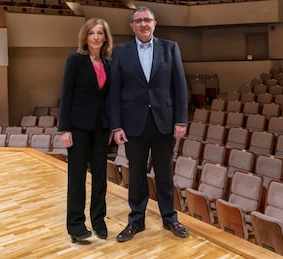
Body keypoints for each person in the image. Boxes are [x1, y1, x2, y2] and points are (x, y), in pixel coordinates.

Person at [109, 6, 189, 242]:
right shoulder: (121, 52)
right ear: (132, 26)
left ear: (155, 24)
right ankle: (136, 221)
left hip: (163, 122)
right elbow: (114, 92)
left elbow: (180, 86)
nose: (143, 24)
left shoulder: (170, 48)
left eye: (147, 20)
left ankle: (170, 218)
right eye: (138, 21)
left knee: (165, 174)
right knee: (136, 175)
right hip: (133, 124)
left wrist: (181, 120)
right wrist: (116, 126)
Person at [58, 18, 113, 243]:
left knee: (100, 178)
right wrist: (64, 129)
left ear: (105, 37)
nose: (96, 37)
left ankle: (98, 220)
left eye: (100, 33)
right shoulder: (75, 60)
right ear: (85, 37)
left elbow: (109, 97)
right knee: (77, 177)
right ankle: (76, 225)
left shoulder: (109, 63)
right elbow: (66, 93)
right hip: (78, 128)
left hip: (101, 127)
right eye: (92, 33)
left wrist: (111, 125)